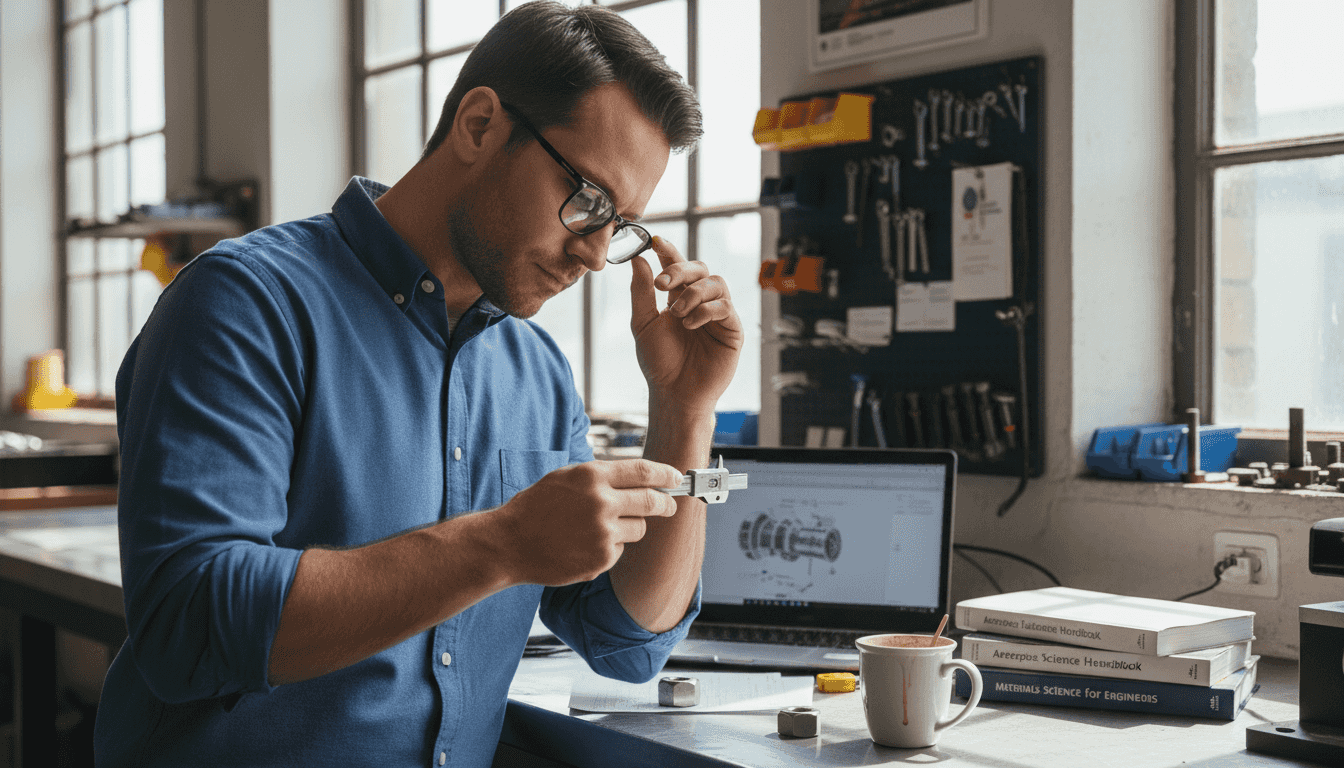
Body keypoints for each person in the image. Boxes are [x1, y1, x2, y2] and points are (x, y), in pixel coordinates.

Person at [93, 3, 742, 766]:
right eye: (588, 199)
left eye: (620, 223)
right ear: (477, 125)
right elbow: (188, 624)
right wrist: (501, 544)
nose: (596, 254)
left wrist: (684, 406)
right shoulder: (243, 303)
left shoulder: (537, 374)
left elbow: (625, 641)